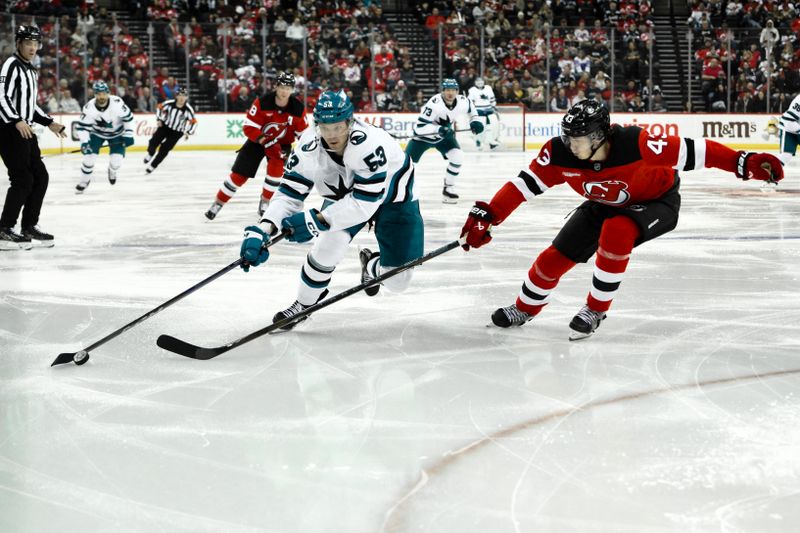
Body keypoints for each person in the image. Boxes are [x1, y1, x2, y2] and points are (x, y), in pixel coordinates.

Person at [460, 99, 784, 340]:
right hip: (603, 203)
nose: (571, 146)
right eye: (568, 137)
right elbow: (523, 185)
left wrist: (745, 162)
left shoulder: (637, 143)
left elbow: (699, 151)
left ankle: (595, 309)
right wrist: (489, 215)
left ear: (600, 135)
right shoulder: (559, 153)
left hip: (657, 202)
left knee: (616, 231)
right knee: (551, 260)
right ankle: (525, 308)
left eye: (579, 139)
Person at [238, 90, 423, 327]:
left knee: (398, 281)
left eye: (337, 127)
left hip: (395, 199)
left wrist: (318, 219)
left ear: (349, 121)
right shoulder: (308, 145)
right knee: (327, 246)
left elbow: (365, 203)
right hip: (349, 196)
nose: (331, 134)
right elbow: (290, 192)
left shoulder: (368, 145)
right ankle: (304, 305)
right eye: (325, 127)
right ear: (317, 125)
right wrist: (263, 228)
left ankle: (372, 266)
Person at [205, 72, 308, 220]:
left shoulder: (297, 108)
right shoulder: (263, 102)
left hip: (282, 145)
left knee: (276, 173)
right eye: (282, 87)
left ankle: (265, 201)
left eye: (288, 88)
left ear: (292, 90)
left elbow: (303, 135)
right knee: (239, 175)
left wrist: (301, 151)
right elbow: (249, 127)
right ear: (276, 87)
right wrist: (265, 141)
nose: (285, 91)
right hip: (257, 142)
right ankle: (218, 203)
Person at [0, 25, 67, 250]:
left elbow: (30, 105)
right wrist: (15, 120)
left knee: (40, 177)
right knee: (22, 179)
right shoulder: (11, 65)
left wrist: (50, 123)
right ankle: (4, 229)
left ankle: (29, 226)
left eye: (35, 43)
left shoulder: (30, 70)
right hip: (9, 130)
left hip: (26, 130)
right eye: (27, 42)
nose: (32, 47)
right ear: (18, 43)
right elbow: (1, 96)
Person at [405, 78, 483, 203]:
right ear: (442, 91)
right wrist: (439, 129)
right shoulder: (434, 104)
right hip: (423, 138)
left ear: (457, 91)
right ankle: (402, 191)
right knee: (406, 165)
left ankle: (449, 189)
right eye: (447, 90)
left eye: (453, 90)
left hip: (443, 137)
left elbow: (472, 111)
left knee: (458, 156)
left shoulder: (463, 101)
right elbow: (420, 128)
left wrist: (475, 121)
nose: (450, 93)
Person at [74, 80, 135, 193]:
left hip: (117, 133)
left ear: (108, 93)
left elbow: (128, 119)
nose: (102, 96)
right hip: (97, 134)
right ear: (95, 94)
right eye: (99, 94)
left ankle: (112, 170)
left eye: (104, 93)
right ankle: (84, 181)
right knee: (89, 158)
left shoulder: (117, 103)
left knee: (116, 162)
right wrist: (85, 142)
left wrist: (129, 134)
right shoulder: (89, 108)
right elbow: (82, 127)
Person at [143, 87, 197, 174]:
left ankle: (153, 166)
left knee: (164, 149)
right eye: (180, 95)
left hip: (177, 132)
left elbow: (194, 122)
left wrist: (188, 132)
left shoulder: (188, 109)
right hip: (165, 126)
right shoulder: (169, 103)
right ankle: (150, 154)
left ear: (187, 97)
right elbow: (159, 107)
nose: (181, 98)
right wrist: (159, 119)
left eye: (184, 96)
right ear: (176, 96)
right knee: (153, 141)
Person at [467, 77, 500, 151]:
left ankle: (491, 142)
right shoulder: (472, 90)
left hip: (489, 110)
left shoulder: (488, 88)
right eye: (477, 81)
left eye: (481, 81)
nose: (479, 83)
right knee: (481, 127)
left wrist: (493, 106)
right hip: (479, 111)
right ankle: (479, 141)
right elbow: (470, 102)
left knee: (492, 127)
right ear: (475, 82)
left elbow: (492, 99)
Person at [776, 92, 800, 167]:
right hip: (789, 128)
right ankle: (771, 174)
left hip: (795, 127)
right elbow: (788, 120)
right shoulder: (799, 100)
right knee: (786, 156)